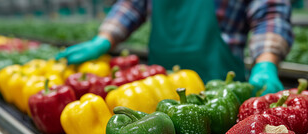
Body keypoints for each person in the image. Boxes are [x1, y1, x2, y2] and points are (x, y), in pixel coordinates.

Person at [56, 0, 293, 95]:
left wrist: (265, 62)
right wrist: (104, 38)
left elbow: (270, 11)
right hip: (159, 88)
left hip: (223, 88)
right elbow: (132, 5)